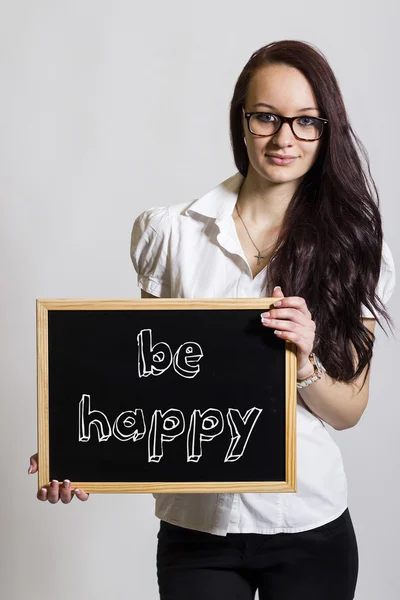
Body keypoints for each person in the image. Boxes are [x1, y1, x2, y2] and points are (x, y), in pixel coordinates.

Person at [28, 39, 396, 600]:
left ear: (327, 130)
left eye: (305, 122)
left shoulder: (358, 249)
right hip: (196, 528)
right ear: (241, 120)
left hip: (308, 525)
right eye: (266, 117)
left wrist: (304, 364)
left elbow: (349, 410)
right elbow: (150, 378)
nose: (283, 138)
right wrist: (75, 447)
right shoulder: (171, 233)